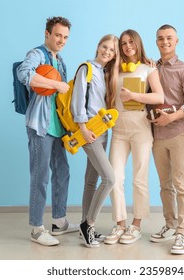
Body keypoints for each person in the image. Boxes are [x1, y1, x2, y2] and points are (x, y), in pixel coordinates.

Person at [17, 16, 78, 246]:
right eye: (58, 35)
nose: (61, 40)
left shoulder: (60, 61)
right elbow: (24, 73)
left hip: (58, 127)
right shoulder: (37, 54)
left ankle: (59, 222)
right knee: (40, 176)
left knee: (62, 172)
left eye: (65, 37)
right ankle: (36, 228)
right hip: (40, 127)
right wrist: (55, 84)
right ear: (47, 34)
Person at [104, 29, 164, 245]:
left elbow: (159, 96)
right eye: (124, 43)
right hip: (119, 127)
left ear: (138, 43)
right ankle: (120, 224)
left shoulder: (148, 68)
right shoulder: (114, 69)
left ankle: (136, 225)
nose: (128, 46)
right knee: (115, 178)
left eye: (131, 42)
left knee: (139, 178)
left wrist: (134, 96)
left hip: (140, 126)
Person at [149, 24, 184, 255]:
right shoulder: (151, 68)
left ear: (177, 41)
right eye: (160, 38)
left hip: (178, 132)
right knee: (164, 185)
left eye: (169, 38)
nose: (165, 42)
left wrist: (172, 118)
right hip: (156, 135)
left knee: (181, 184)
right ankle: (169, 225)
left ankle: (182, 233)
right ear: (156, 41)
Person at [70, 34, 120, 248]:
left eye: (111, 50)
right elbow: (78, 100)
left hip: (102, 130)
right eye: (104, 47)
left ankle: (84, 225)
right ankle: (88, 224)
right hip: (88, 130)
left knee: (91, 181)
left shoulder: (106, 72)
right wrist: (83, 128)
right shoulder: (86, 68)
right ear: (97, 46)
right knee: (109, 179)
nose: (106, 51)